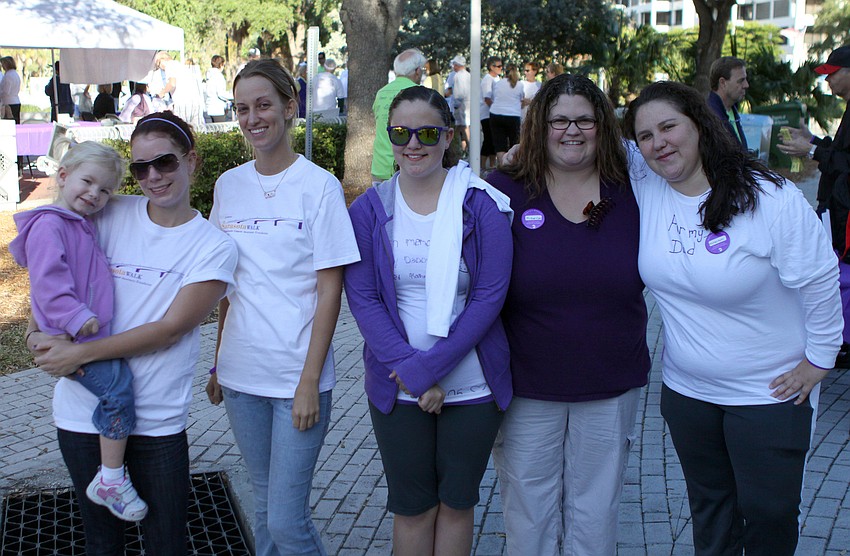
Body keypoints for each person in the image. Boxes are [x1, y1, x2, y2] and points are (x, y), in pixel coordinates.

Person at [623, 80, 842, 555]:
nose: (658, 143)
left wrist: (820, 358)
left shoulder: (769, 197)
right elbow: (584, 141)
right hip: (688, 395)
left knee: (768, 515)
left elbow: (820, 277)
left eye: (669, 127)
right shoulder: (648, 182)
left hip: (769, 393)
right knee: (711, 511)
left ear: (700, 125)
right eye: (645, 136)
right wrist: (524, 149)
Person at [26, 111, 238, 554]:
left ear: (191, 160)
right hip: (81, 414)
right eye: (141, 167)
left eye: (165, 162)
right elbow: (51, 269)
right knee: (102, 544)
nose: (153, 176)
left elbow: (170, 329)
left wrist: (79, 355)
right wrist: (35, 334)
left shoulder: (214, 245)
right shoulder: (107, 209)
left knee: (166, 543)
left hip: (156, 421)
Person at [345, 85, 513, 556]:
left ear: (449, 137)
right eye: (401, 132)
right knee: (413, 508)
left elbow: (489, 298)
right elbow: (363, 299)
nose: (413, 144)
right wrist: (413, 373)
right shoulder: (368, 210)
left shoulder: (482, 205)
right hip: (396, 384)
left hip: (473, 386)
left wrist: (429, 369)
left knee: (457, 505)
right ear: (389, 138)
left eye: (427, 132)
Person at [487, 73, 650, 556]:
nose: (572, 131)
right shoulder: (504, 191)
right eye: (559, 120)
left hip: (610, 380)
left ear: (603, 125)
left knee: (595, 509)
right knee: (528, 508)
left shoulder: (636, 189)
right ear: (540, 126)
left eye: (584, 119)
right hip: (526, 383)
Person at [205, 58, 360, 556]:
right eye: (242, 108)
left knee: (290, 522)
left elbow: (329, 290)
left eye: (264, 105)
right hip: (239, 377)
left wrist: (311, 379)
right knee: (264, 508)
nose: (253, 118)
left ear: (290, 108)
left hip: (297, 378)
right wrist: (217, 361)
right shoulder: (228, 185)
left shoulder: (320, 187)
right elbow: (227, 283)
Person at [10, 141, 148, 522]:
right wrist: (74, 317)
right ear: (64, 175)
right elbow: (48, 282)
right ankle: (111, 479)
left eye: (105, 190)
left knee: (118, 383)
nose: (95, 194)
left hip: (85, 336)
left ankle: (110, 472)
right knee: (118, 391)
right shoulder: (50, 225)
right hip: (70, 337)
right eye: (87, 182)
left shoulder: (78, 223)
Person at [779, 44, 850, 367]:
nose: (828, 82)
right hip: (837, 207)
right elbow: (839, 152)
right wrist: (813, 141)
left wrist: (810, 152)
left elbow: (845, 162)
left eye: (832, 75)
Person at [371, 48, 426, 183]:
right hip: (408, 167)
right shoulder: (420, 94)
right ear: (418, 71)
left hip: (380, 167)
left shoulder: (381, 93)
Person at [707, 56, 749, 149]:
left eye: (745, 79)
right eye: (741, 81)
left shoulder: (731, 109)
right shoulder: (710, 118)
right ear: (722, 82)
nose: (746, 85)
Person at [488, 63, 525, 165]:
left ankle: (502, 166)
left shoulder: (498, 83)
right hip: (513, 115)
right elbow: (521, 100)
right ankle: (513, 167)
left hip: (496, 114)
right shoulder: (520, 84)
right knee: (515, 142)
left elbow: (494, 98)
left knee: (500, 144)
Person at [479, 56, 502, 171]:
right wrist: (497, 109)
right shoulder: (487, 79)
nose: (500, 68)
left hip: (494, 113)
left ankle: (492, 164)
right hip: (487, 114)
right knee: (488, 138)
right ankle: (482, 165)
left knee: (494, 139)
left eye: (501, 66)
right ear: (490, 67)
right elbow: (487, 98)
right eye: (498, 66)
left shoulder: (498, 79)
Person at [444, 56, 470, 152]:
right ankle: (464, 149)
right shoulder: (469, 75)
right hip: (468, 105)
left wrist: (455, 105)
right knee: (463, 127)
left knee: (463, 127)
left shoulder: (457, 76)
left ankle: (466, 147)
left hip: (460, 106)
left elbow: (458, 93)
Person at [205, 55, 232, 123]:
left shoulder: (209, 75)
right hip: (217, 109)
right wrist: (233, 96)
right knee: (220, 131)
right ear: (221, 64)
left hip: (209, 108)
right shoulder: (218, 76)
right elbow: (221, 94)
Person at [0, 56, 21, 123]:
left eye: (3, 64)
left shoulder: (8, 76)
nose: (2, 66)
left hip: (8, 103)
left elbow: (6, 91)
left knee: (9, 124)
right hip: (15, 101)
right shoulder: (15, 74)